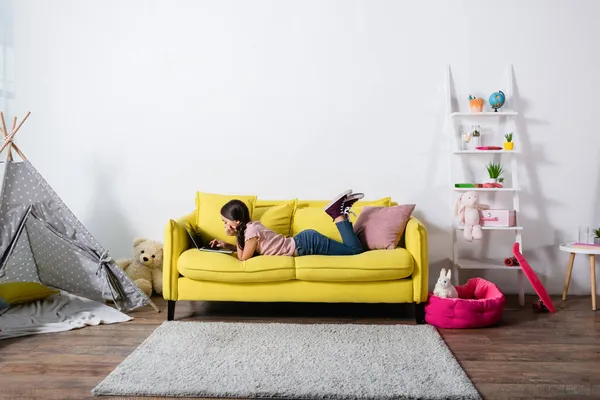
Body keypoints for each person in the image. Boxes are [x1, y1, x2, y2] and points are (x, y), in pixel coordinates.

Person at [209, 190, 366, 261]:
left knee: (355, 252)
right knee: (352, 250)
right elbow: (250, 251)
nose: (224, 225)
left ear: (236, 221)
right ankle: (341, 212)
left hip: (307, 244)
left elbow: (243, 258)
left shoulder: (251, 232)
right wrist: (226, 246)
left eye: (225, 221)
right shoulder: (251, 228)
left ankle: (337, 213)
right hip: (305, 242)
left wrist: (235, 236)